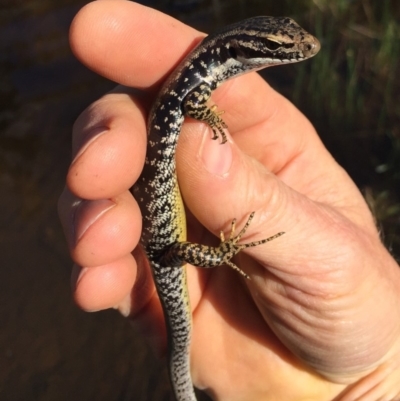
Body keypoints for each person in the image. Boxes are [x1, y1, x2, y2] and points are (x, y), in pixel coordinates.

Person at [58, 1, 400, 400]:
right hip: (167, 244)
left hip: (166, 226)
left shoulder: (209, 67)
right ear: (243, 49)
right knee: (170, 280)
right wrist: (223, 253)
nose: (299, 49)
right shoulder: (203, 76)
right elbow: (192, 103)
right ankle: (221, 255)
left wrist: (386, 368)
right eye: (278, 45)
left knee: (175, 332)